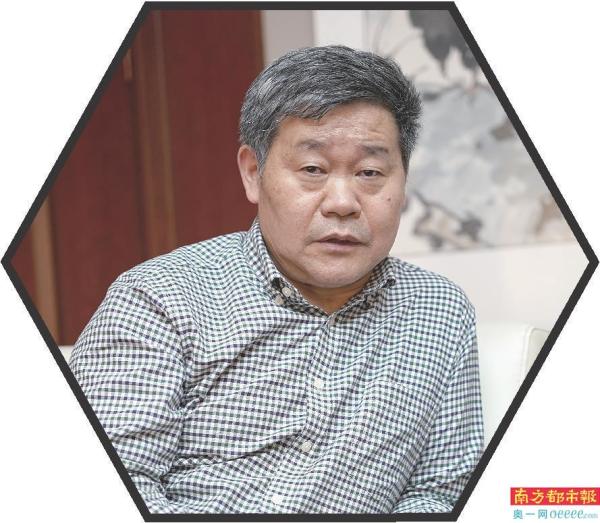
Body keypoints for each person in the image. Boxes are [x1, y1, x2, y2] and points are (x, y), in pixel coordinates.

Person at [70, 45, 484, 514]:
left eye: (370, 172)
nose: (343, 203)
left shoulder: (438, 312)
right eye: (313, 170)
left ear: (403, 180)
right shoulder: (159, 299)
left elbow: (438, 493)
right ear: (253, 173)